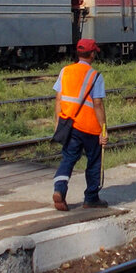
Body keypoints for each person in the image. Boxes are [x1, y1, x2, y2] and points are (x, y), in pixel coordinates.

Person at [52, 38, 108, 210]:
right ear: (92, 54)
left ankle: (59, 190)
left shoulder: (65, 71)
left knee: (68, 159)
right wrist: (104, 128)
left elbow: (59, 99)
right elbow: (97, 104)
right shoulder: (95, 76)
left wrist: (57, 123)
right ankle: (91, 198)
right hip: (90, 127)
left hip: (70, 125)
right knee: (94, 161)